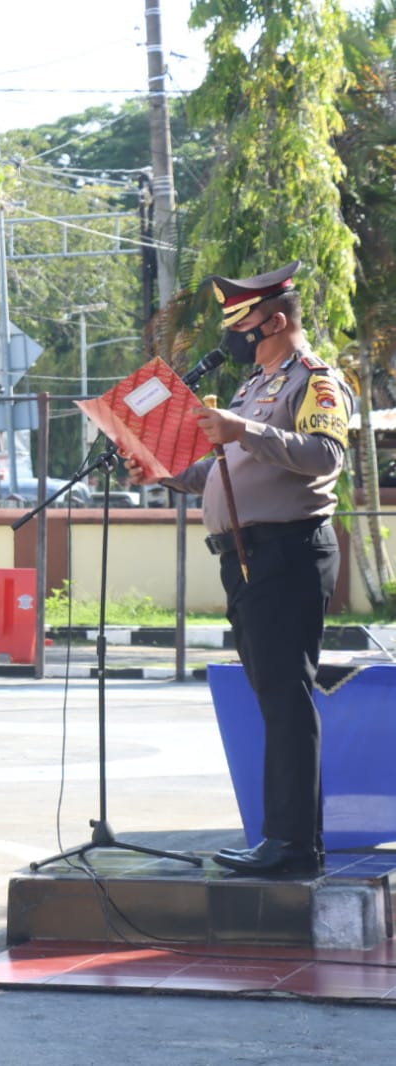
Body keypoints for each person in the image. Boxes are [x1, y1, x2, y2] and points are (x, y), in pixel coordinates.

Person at [127, 260, 347, 878]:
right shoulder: (255, 387)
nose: (235, 332)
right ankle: (286, 837)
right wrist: (163, 470)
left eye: (241, 320)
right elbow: (215, 471)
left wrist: (241, 429)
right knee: (272, 698)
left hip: (288, 552)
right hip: (246, 560)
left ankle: (293, 844)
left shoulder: (316, 381)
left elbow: (325, 453)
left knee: (286, 697)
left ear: (275, 320)